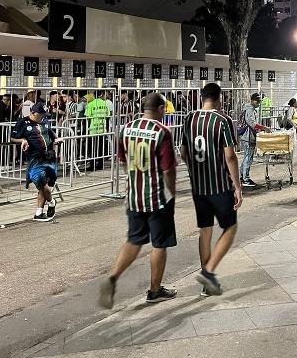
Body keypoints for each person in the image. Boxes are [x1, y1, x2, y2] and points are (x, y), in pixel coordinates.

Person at [98, 93, 177, 308]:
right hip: (157, 197)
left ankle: (113, 277)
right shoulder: (162, 132)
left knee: (134, 239)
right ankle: (154, 290)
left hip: (133, 196)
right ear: (160, 109)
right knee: (159, 243)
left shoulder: (125, 129)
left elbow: (123, 161)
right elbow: (169, 169)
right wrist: (173, 192)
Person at [181, 83, 242, 296]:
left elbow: (183, 152)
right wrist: (237, 186)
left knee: (205, 231)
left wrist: (193, 171)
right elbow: (230, 156)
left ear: (201, 98)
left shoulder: (189, 118)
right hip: (220, 185)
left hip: (198, 187)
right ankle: (208, 272)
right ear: (219, 98)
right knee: (230, 227)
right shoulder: (222, 120)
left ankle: (207, 285)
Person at [11, 102, 59, 222]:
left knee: (44, 185)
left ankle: (39, 212)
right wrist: (23, 140)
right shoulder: (23, 122)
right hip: (35, 158)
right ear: (32, 112)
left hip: (49, 156)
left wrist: (56, 138)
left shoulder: (44, 120)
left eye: (44, 114)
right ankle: (52, 202)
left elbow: (50, 131)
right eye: (40, 114)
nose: (42, 116)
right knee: (41, 182)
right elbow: (12, 137)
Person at [239, 92, 270, 187]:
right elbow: (251, 122)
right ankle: (245, 179)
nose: (258, 104)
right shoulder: (250, 109)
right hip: (247, 136)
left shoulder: (248, 108)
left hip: (246, 135)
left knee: (246, 157)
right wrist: (263, 128)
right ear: (252, 100)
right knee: (248, 157)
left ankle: (242, 176)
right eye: (257, 102)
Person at [85, 91, 111, 169]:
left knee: (92, 148)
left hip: (93, 129)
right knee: (101, 148)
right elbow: (107, 115)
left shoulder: (91, 104)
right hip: (102, 129)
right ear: (101, 94)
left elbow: (87, 117)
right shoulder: (105, 104)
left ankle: (92, 165)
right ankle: (100, 164)